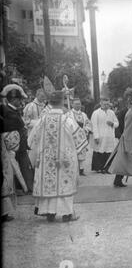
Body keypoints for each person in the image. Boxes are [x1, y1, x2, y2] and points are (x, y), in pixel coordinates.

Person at [28, 91, 88, 222]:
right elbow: (80, 140)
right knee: (64, 184)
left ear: (49, 102)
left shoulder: (42, 120)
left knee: (48, 184)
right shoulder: (67, 120)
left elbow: (31, 140)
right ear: (62, 102)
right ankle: (67, 214)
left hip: (45, 160)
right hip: (63, 160)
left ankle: (49, 212)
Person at [0, 84, 34, 193]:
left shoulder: (12, 111)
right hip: (16, 146)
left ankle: (24, 187)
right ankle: (29, 187)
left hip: (20, 145)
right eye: (19, 99)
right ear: (14, 99)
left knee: (23, 166)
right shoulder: (9, 112)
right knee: (24, 166)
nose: (21, 102)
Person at [90, 98, 119, 173]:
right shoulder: (96, 113)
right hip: (100, 136)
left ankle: (107, 168)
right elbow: (94, 125)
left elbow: (117, 123)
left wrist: (112, 124)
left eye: (107, 104)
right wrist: (96, 137)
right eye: (105, 104)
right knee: (99, 152)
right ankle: (99, 168)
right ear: (101, 103)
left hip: (109, 136)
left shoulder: (111, 112)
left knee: (109, 152)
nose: (106, 106)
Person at [67, 98, 93, 176]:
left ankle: (81, 169)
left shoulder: (84, 114)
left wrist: (85, 130)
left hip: (82, 137)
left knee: (82, 153)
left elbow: (88, 124)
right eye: (76, 104)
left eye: (79, 104)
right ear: (72, 104)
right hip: (73, 137)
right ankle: (74, 169)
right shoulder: (69, 114)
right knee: (73, 153)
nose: (78, 105)